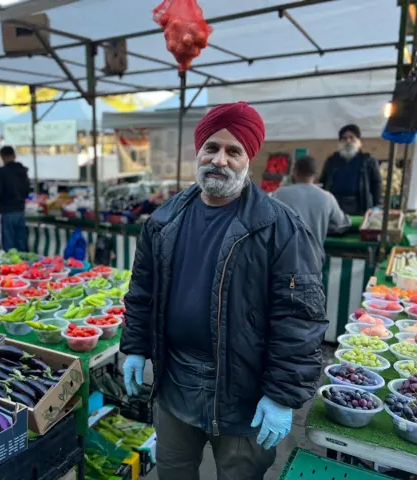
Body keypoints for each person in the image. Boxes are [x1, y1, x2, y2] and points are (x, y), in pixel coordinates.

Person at [120, 102, 328, 480]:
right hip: (175, 383)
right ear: (198, 152)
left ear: (249, 158)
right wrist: (135, 346)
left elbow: (299, 319)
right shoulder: (165, 220)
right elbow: (142, 292)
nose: (220, 160)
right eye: (211, 148)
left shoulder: (280, 228)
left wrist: (281, 395)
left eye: (234, 151)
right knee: (174, 472)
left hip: (243, 394)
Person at [272, 155, 351, 254]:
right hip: (314, 260)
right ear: (314, 175)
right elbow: (341, 225)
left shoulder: (279, 194)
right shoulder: (327, 197)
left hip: (285, 259)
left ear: (295, 172)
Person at [319, 124, 382, 215]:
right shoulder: (332, 160)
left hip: (359, 205)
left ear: (359, 141)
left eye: (351, 138)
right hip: (335, 204)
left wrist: (377, 205)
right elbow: (323, 182)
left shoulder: (367, 160)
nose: (348, 141)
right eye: (344, 138)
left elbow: (376, 183)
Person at [0, 146, 30, 252]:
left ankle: (10, 267)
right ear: (14, 156)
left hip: (7, 212)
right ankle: (24, 266)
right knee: (21, 243)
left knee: (8, 245)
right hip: (20, 211)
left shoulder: (2, 172)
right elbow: (27, 191)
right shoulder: (22, 171)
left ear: (2, 157)